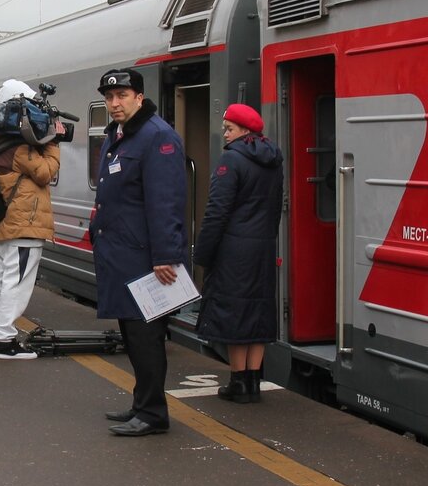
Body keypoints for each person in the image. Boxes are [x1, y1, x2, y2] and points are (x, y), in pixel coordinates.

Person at [90, 68, 187, 436]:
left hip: (146, 258)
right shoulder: (123, 134)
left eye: (122, 96)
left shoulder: (158, 137)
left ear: (139, 97)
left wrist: (166, 255)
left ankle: (153, 413)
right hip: (121, 252)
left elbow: (166, 202)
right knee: (131, 335)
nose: (114, 103)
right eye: (109, 97)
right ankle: (141, 403)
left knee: (145, 338)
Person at [194, 104, 284, 404]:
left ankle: (237, 382)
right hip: (262, 246)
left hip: (234, 250)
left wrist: (203, 254)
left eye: (230, 128)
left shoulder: (231, 161)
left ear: (245, 131)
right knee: (257, 312)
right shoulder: (274, 159)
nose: (226, 134)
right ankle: (253, 383)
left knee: (234, 313)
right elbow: (275, 208)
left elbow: (216, 212)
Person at [0, 81, 62, 359]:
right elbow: (45, 172)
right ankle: (5, 340)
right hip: (23, 224)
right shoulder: (19, 149)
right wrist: (54, 143)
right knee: (16, 282)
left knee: (1, 278)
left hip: (6, 224)